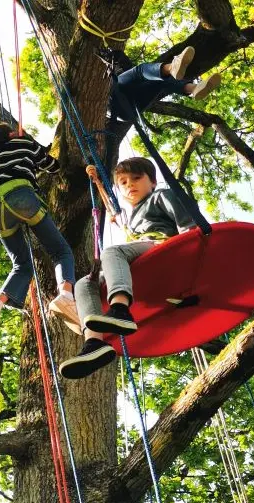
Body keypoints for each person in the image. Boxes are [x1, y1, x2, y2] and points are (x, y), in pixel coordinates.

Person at [58, 157, 198, 380]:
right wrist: (99, 184)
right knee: (85, 283)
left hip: (163, 248)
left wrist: (191, 255)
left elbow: (188, 226)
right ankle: (94, 342)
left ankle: (120, 310)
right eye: (123, 182)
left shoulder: (161, 195)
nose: (129, 184)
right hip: (140, 261)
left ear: (152, 182)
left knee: (112, 252)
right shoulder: (128, 218)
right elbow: (113, 208)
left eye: (136, 178)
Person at [0, 122, 80, 348]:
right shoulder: (23, 142)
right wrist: (30, 143)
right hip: (22, 195)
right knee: (60, 251)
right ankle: (66, 297)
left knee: (21, 265)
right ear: (12, 134)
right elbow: (52, 165)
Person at [99, 46, 221, 168]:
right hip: (113, 100)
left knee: (160, 82)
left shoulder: (125, 68)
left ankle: (194, 88)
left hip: (127, 108)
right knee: (141, 70)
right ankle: (172, 67)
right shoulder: (117, 65)